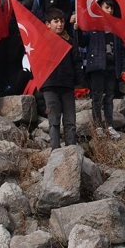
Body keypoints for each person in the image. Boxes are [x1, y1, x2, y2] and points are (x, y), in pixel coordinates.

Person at [78, 0, 125, 139]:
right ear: (99, 8)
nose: (110, 10)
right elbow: (82, 42)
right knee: (97, 97)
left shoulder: (116, 27)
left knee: (109, 97)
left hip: (112, 67)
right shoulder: (92, 25)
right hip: (97, 67)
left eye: (111, 8)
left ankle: (109, 125)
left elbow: (121, 51)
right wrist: (78, 30)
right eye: (107, 7)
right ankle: (98, 126)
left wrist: (123, 67)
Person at [42, 8, 85, 148]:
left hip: (67, 86)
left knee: (70, 122)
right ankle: (55, 151)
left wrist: (80, 84)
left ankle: (71, 150)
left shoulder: (70, 42)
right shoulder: (42, 41)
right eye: (56, 21)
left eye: (61, 21)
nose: (59, 24)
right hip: (50, 86)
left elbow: (77, 63)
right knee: (53, 121)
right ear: (48, 24)